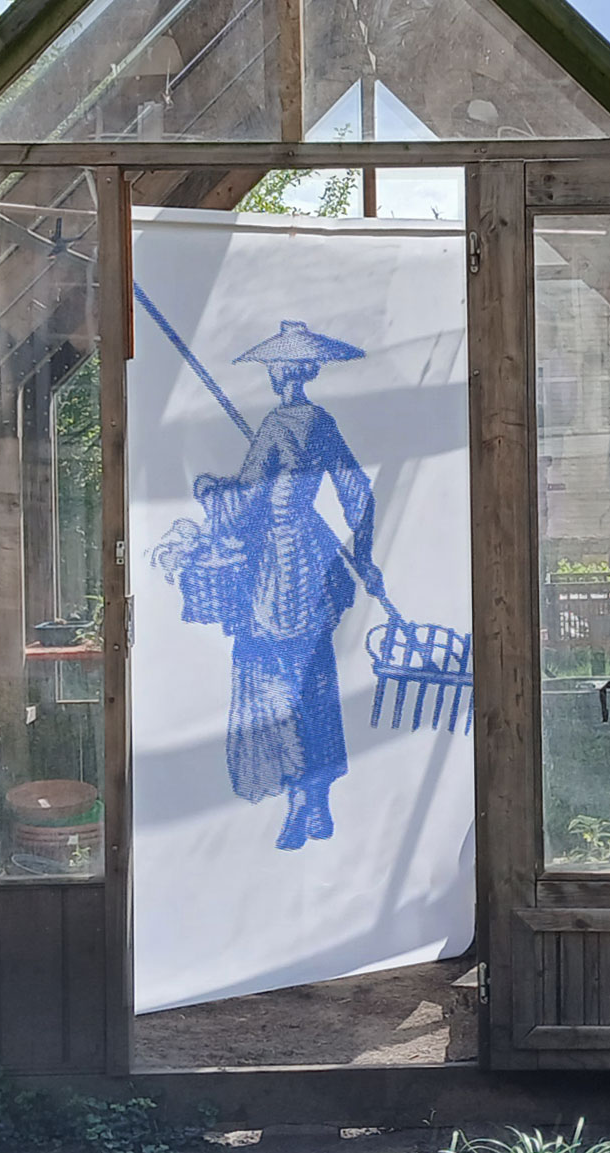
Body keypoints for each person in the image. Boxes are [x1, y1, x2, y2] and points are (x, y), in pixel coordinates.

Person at [193, 320, 384, 850]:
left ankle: (302, 800)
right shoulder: (321, 422)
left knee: (277, 679)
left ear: (280, 372)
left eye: (273, 367)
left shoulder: (277, 424)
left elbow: (248, 500)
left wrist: (210, 489)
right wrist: (364, 556)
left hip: (278, 570)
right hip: (317, 565)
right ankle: (316, 800)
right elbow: (358, 492)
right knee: (315, 679)